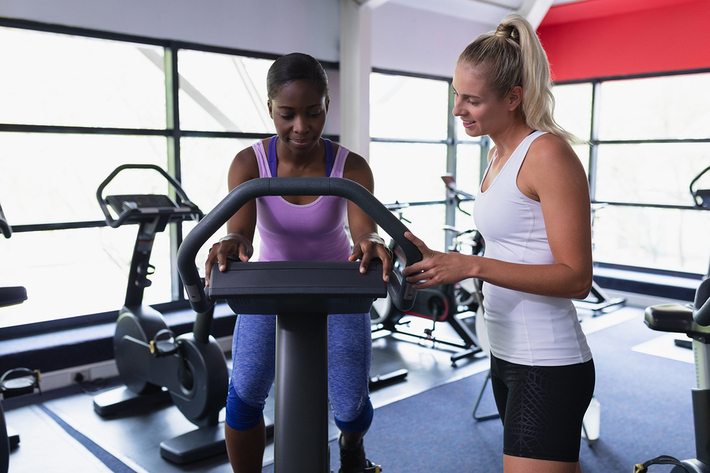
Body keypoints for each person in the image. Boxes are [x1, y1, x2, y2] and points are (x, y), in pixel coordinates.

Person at [402, 13, 595, 473]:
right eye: (456, 95)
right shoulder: (496, 153)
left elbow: (577, 278)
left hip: (546, 362)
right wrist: (438, 259)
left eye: (472, 100)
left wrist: (471, 265)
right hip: (507, 352)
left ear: (513, 98)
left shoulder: (547, 153)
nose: (458, 110)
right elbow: (514, 247)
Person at [204, 52, 391, 473]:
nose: (301, 127)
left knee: (350, 407)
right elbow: (241, 230)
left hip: (338, 287)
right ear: (270, 108)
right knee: (245, 393)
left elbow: (364, 233)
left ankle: (350, 446)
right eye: (287, 114)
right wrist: (231, 241)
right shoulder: (250, 163)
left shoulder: (351, 168)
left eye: (313, 112)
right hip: (271, 285)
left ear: (327, 105)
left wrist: (372, 241)